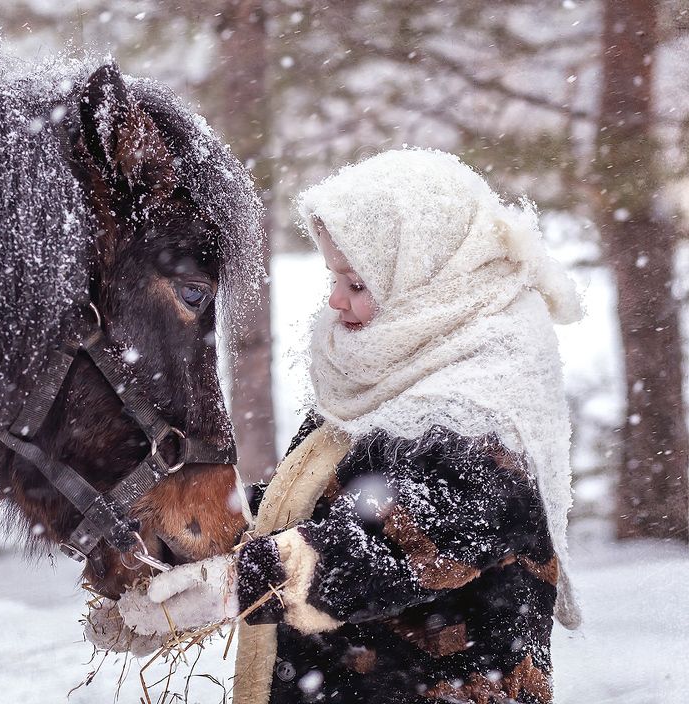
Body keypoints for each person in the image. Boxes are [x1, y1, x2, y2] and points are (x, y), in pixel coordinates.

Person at [88, 148, 583, 704]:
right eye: (333, 275)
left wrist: (237, 585)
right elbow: (314, 509)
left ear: (422, 278)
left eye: (357, 282)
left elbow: (403, 546)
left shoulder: (483, 404)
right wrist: (192, 543)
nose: (335, 298)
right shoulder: (386, 368)